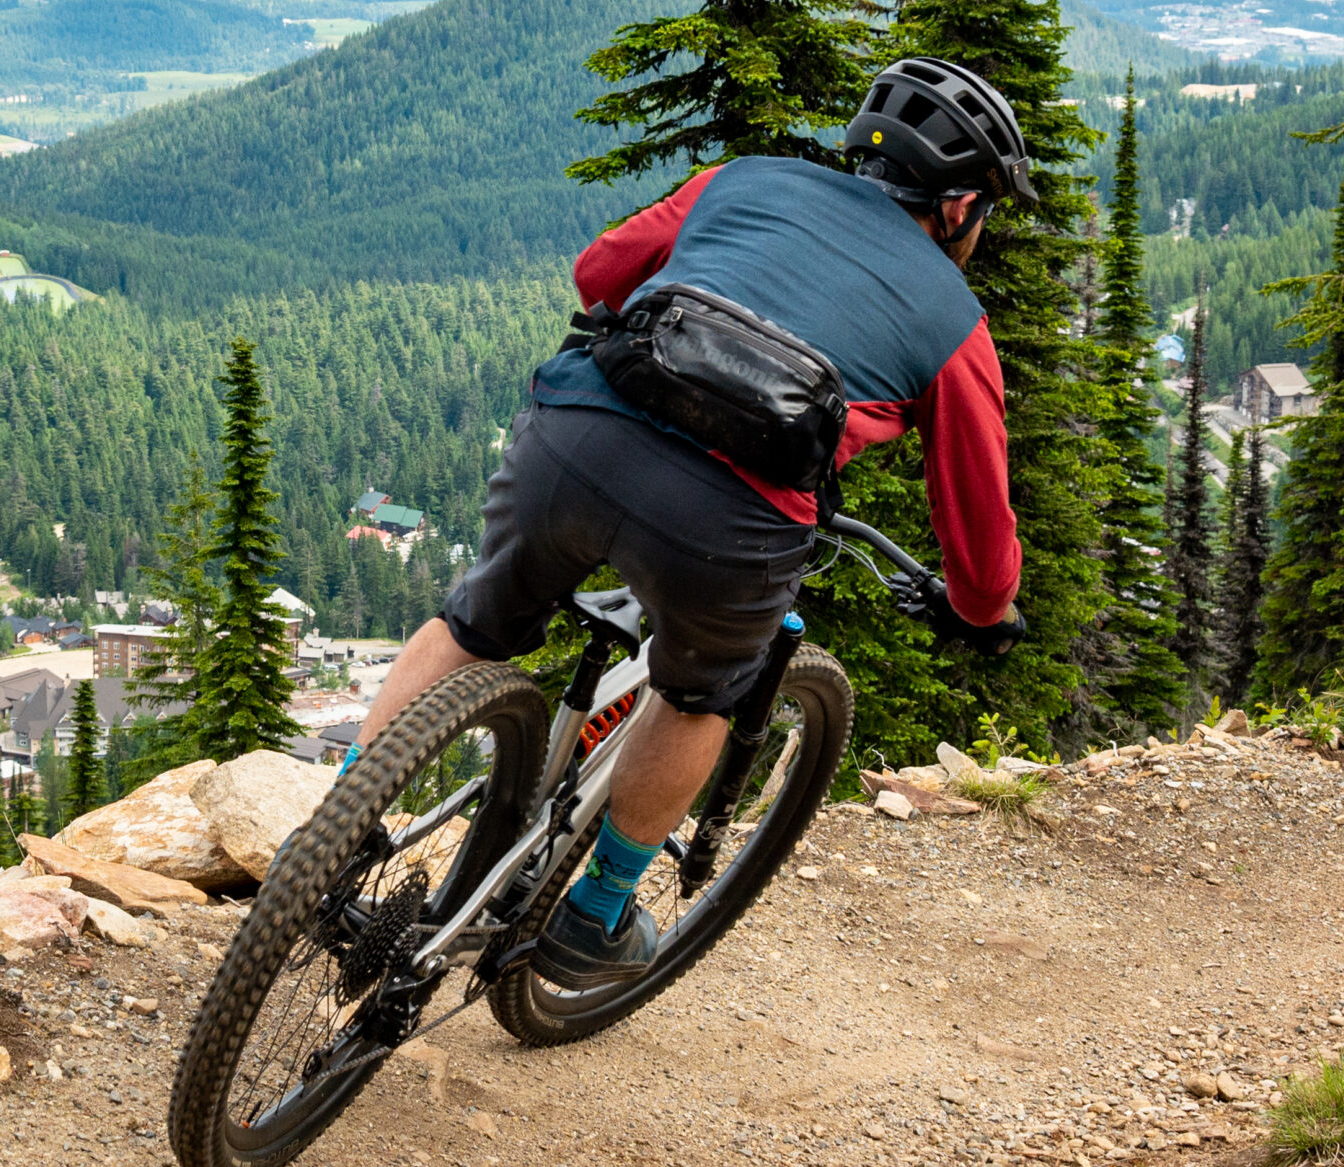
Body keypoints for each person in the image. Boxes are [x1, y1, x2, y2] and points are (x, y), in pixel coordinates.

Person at [343, 56, 1034, 989]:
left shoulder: (744, 178)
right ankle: (595, 915)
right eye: (983, 213)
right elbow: (979, 521)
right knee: (703, 690)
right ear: (957, 207)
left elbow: (599, 270)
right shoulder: (954, 321)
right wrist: (982, 610)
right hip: (732, 525)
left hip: (575, 436)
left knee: (472, 624)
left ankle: (334, 837)